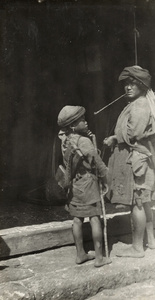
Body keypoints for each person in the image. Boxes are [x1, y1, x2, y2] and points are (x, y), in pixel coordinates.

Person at [103, 65, 155, 258]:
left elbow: (135, 134)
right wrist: (116, 137)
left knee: (138, 203)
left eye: (133, 83)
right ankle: (150, 240)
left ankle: (137, 248)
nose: (128, 87)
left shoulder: (140, 105)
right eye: (126, 84)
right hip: (142, 157)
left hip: (137, 160)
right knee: (145, 201)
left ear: (142, 86)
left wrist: (116, 137)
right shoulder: (137, 103)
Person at [57, 105, 111, 267]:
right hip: (88, 183)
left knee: (77, 219)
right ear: (73, 125)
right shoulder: (84, 141)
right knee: (95, 218)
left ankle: (80, 254)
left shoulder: (65, 140)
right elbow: (98, 164)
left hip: (74, 185)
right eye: (82, 121)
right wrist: (107, 178)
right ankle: (100, 258)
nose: (86, 122)